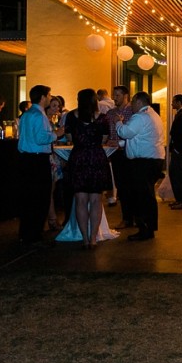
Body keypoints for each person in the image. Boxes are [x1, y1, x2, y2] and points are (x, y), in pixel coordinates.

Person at [16, 85, 65, 246]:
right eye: (49, 95)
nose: (51, 98)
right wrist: (56, 133)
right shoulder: (39, 115)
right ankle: (34, 235)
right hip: (38, 160)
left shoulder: (27, 115)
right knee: (40, 198)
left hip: (25, 159)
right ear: (43, 97)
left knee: (28, 198)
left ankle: (25, 233)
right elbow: (41, 138)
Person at [63, 89, 111, 249]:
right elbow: (104, 139)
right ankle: (93, 238)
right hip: (96, 157)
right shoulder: (102, 118)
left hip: (78, 158)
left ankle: (84, 238)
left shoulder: (71, 116)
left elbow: (69, 138)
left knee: (80, 200)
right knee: (96, 200)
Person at [116, 91, 165, 241]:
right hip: (153, 160)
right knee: (147, 195)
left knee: (141, 196)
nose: (130, 105)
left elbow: (126, 132)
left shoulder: (140, 117)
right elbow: (140, 137)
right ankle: (148, 227)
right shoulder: (153, 115)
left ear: (139, 102)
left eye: (132, 102)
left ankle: (145, 228)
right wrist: (121, 144)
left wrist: (119, 122)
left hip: (143, 162)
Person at [106, 86, 135, 229]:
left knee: (131, 187)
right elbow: (108, 134)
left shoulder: (132, 112)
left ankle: (133, 217)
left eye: (117, 95)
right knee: (121, 187)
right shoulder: (111, 113)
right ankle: (126, 217)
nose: (115, 98)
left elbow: (132, 133)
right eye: (114, 95)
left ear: (125, 96)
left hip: (129, 152)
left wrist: (116, 142)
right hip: (115, 154)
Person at [45, 96, 63, 231]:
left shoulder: (51, 120)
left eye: (58, 106)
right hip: (49, 157)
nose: (57, 109)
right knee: (49, 189)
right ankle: (52, 219)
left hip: (53, 156)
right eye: (54, 106)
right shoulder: (45, 121)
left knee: (52, 189)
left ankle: (51, 218)